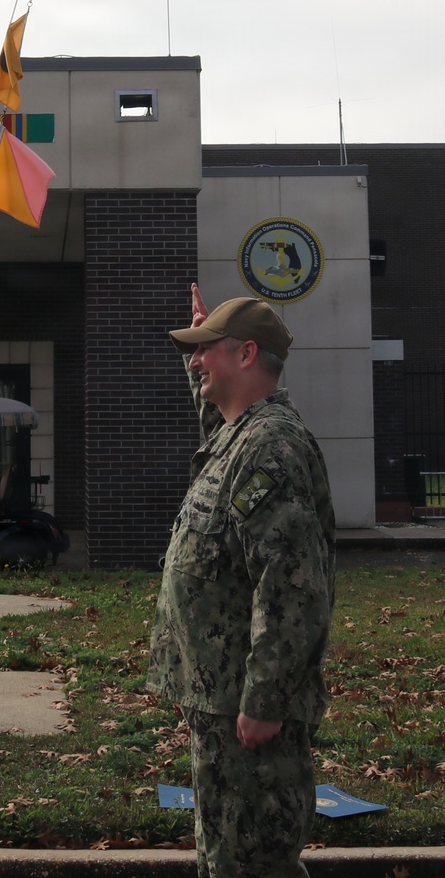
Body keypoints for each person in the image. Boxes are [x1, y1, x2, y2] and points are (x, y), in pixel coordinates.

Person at [148, 284, 335, 878]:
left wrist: (265, 701)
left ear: (247, 354)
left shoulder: (270, 447)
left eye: (207, 350)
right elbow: (216, 416)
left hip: (247, 713)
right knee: (228, 858)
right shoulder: (240, 436)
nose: (196, 360)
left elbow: (292, 586)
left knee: (253, 863)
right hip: (221, 705)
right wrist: (199, 354)